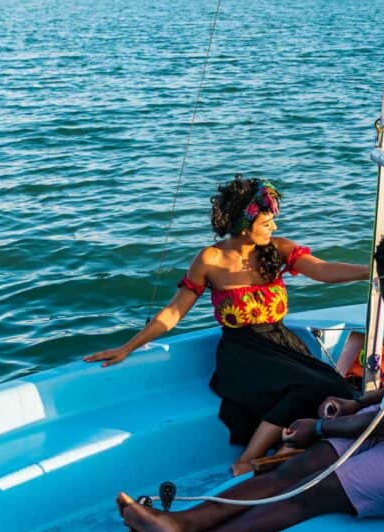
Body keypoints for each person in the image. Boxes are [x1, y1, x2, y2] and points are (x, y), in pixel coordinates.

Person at [117, 228, 384, 532]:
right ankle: (182, 523)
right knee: (306, 464)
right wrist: (355, 404)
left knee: (315, 490)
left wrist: (319, 425)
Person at [85, 175, 369, 475]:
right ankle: (247, 460)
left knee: (337, 388)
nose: (274, 227)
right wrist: (127, 347)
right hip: (242, 353)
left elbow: (324, 270)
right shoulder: (210, 259)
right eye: (266, 222)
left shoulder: (279, 249)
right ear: (244, 225)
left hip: (283, 345)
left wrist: (370, 271)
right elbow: (172, 313)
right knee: (306, 388)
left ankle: (288, 450)